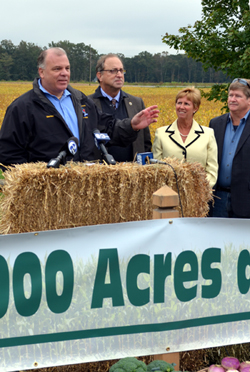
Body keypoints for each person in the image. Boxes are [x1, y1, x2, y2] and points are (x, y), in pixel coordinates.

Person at [0, 48, 159, 169]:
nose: (64, 73)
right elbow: (8, 153)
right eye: (57, 69)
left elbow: (106, 128)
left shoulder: (81, 100)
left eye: (67, 68)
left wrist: (131, 125)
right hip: (46, 195)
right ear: (41, 72)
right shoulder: (22, 107)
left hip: (82, 190)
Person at [88, 53, 152, 162]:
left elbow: (145, 142)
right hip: (101, 174)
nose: (119, 75)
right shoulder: (87, 104)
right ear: (99, 76)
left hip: (133, 174)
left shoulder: (136, 103)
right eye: (113, 71)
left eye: (121, 70)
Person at [152, 87, 218, 188]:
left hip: (198, 197)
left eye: (186, 104)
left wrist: (201, 190)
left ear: (195, 108)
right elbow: (156, 168)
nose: (181, 107)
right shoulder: (161, 134)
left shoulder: (208, 134)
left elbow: (212, 170)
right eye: (179, 103)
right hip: (168, 196)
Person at [209, 78, 250, 218]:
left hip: (246, 199)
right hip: (218, 198)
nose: (233, 99)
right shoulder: (215, 124)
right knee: (216, 239)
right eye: (230, 95)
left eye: (238, 96)